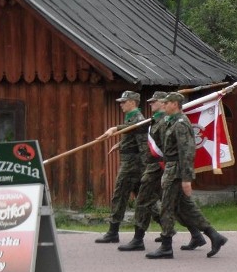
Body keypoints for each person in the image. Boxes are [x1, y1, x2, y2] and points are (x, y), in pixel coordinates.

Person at [117, 91, 205, 252]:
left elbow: (183, 150)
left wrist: (186, 178)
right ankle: (199, 235)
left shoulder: (171, 122)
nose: (152, 104)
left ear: (170, 104)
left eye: (156, 102)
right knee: (175, 205)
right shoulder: (160, 120)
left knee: (156, 203)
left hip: (161, 167)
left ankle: (158, 241)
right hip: (159, 167)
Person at [145, 93, 228, 259]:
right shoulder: (172, 123)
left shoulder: (181, 124)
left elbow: (187, 152)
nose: (164, 105)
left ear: (175, 104)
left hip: (176, 172)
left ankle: (166, 246)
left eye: (167, 103)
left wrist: (186, 179)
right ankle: (214, 236)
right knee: (186, 208)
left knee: (166, 208)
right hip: (171, 169)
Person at [95, 90, 145, 243]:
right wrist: (120, 143)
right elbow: (132, 135)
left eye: (124, 102)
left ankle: (113, 232)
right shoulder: (131, 117)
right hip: (132, 163)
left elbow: (139, 136)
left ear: (132, 102)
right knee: (145, 199)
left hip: (132, 165)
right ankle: (167, 227)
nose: (121, 105)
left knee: (119, 196)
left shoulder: (138, 118)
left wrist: (115, 129)